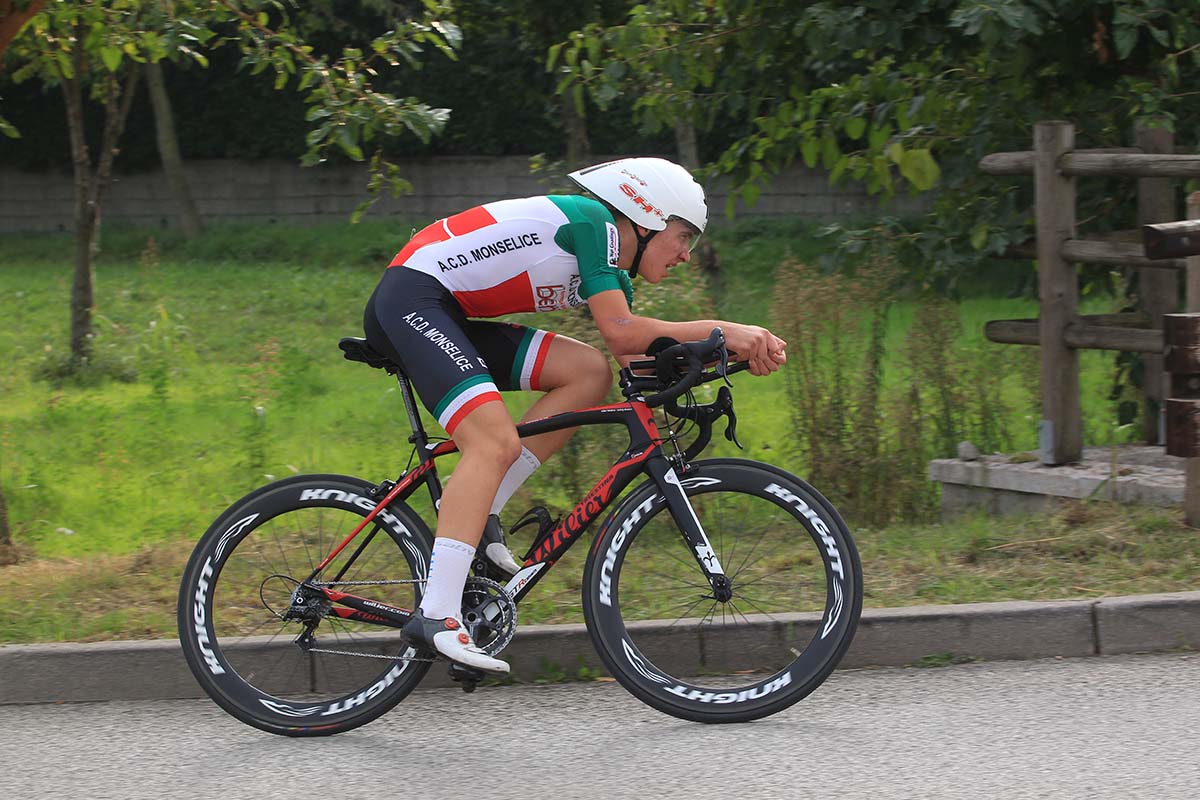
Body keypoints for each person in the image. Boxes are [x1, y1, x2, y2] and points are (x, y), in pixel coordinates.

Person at [363, 157, 787, 674]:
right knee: (492, 443)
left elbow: (638, 360)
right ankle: (435, 615)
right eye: (682, 237)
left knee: (588, 372)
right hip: (412, 301)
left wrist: (725, 355)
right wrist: (725, 328)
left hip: (445, 311)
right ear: (646, 217)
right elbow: (623, 332)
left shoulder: (611, 269)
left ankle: (483, 508)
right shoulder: (593, 224)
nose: (685, 254)